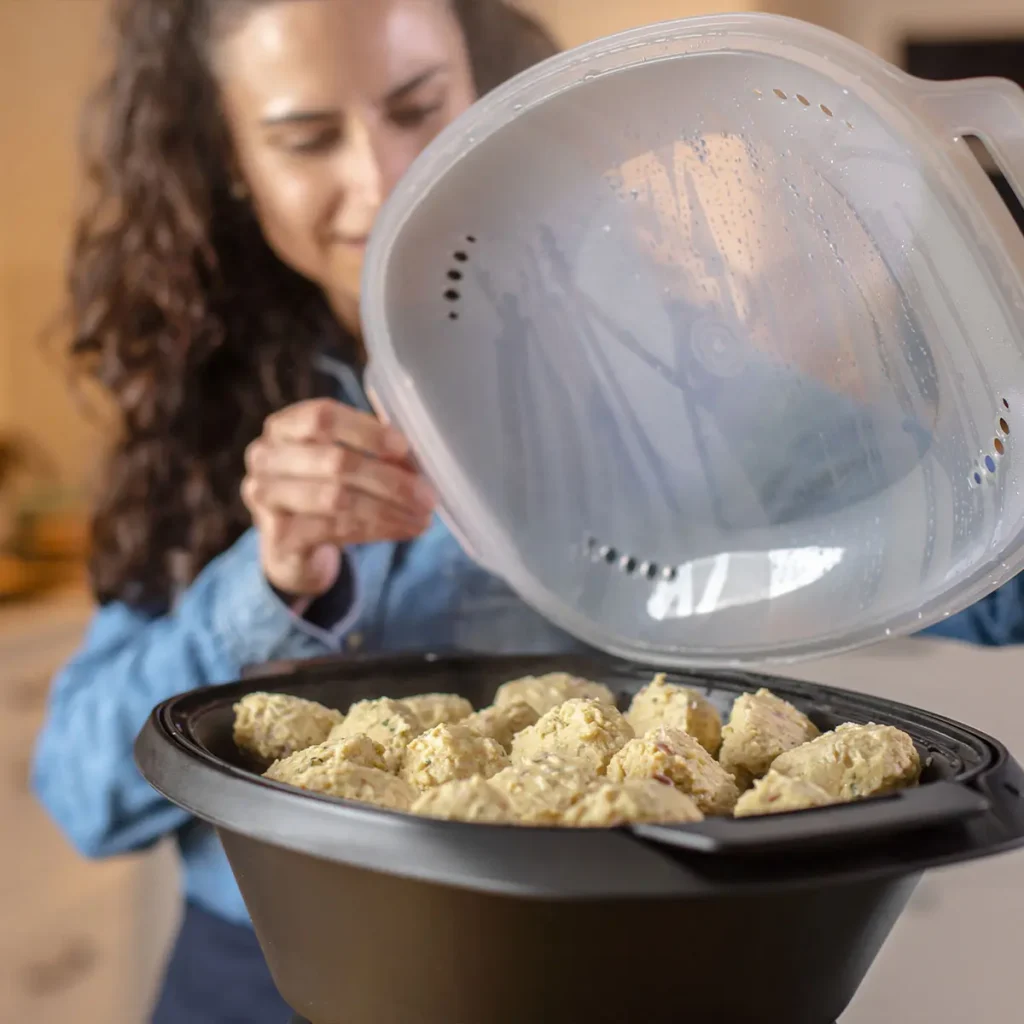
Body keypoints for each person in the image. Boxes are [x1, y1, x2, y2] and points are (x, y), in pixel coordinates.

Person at [31, 2, 568, 1022]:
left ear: (482, 87)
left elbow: (936, 580)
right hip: (246, 976)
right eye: (308, 139)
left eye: (418, 106)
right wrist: (271, 583)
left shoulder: (634, 358)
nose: (383, 178)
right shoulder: (195, 400)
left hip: (542, 968)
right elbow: (81, 795)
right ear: (231, 159)